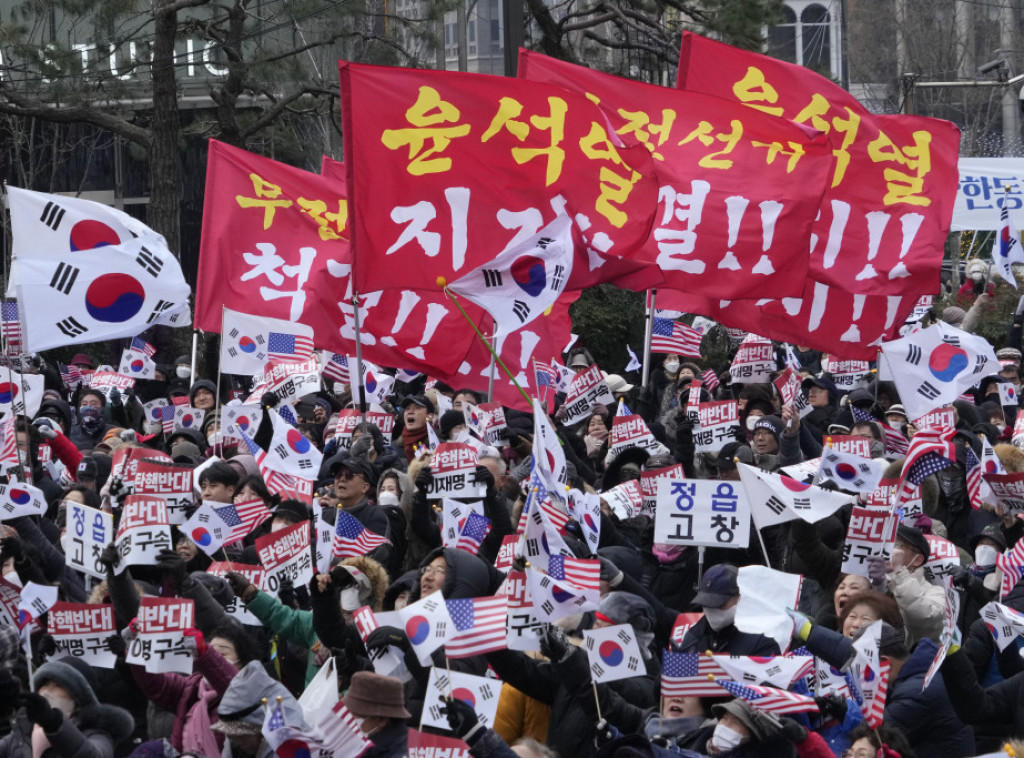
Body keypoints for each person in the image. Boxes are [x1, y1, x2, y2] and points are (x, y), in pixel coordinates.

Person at [0, 658, 134, 758]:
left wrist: (54, 723)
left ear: (77, 696)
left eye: (58, 685)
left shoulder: (98, 733)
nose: (47, 691)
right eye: (44, 684)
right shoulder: (23, 730)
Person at [341, 672, 411, 757]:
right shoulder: (368, 747)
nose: (346, 720)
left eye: (352, 716)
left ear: (381, 720)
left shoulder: (401, 753)